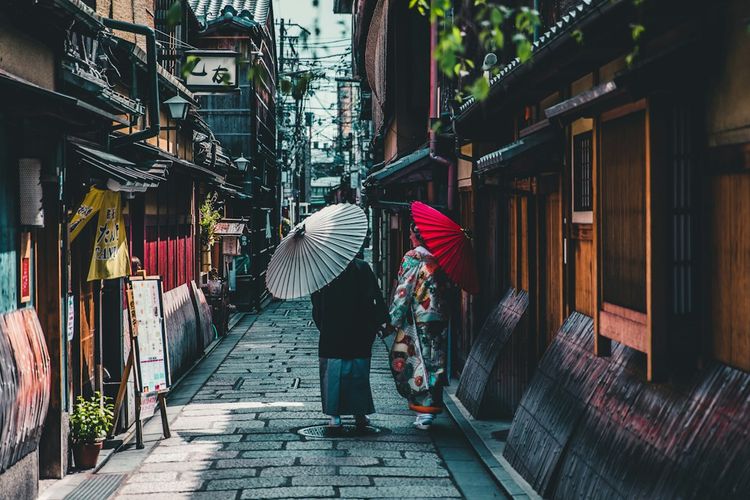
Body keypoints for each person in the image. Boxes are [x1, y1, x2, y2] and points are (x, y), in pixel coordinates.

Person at [386, 222, 450, 430]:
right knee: (435, 361)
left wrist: (394, 318)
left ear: (416, 236)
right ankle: (430, 407)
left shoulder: (413, 257)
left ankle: (423, 411)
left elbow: (404, 289)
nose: (410, 236)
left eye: (412, 233)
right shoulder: (438, 258)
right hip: (438, 318)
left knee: (416, 362)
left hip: (417, 318)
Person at [311, 257, 388, 429]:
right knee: (358, 372)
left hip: (333, 330)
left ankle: (334, 416)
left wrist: (323, 325)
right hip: (359, 329)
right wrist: (378, 322)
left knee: (333, 372)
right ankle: (359, 414)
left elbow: (316, 304)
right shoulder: (362, 267)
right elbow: (374, 297)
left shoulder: (323, 269)